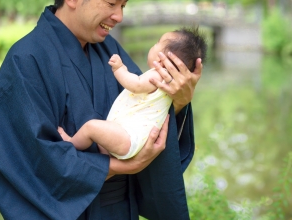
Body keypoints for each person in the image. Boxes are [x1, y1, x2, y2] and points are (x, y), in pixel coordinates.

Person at [0, 0, 202, 220]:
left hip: (119, 217)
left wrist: (177, 101)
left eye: (123, 6)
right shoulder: (26, 59)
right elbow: (30, 161)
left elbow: (144, 117)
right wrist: (118, 166)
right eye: (112, 3)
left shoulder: (109, 50)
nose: (119, 17)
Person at [59, 28, 207, 160]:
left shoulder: (157, 76)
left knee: (91, 127)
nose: (153, 46)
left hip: (129, 138)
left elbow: (135, 84)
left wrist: (119, 68)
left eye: (157, 43)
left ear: (164, 60)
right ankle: (103, 154)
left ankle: (71, 143)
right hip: (132, 140)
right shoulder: (170, 84)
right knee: (98, 131)